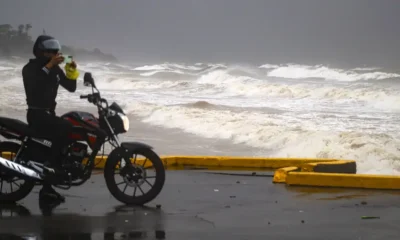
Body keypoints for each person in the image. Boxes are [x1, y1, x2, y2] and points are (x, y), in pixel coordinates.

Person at [22, 35, 80, 203]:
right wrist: (50, 65)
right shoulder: (30, 68)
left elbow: (71, 87)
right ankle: (53, 168)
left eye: (56, 52)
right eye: (50, 52)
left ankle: (47, 188)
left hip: (48, 114)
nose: (54, 54)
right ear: (40, 52)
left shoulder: (54, 70)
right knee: (66, 128)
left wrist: (71, 71)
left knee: (69, 128)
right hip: (36, 114)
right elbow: (36, 84)